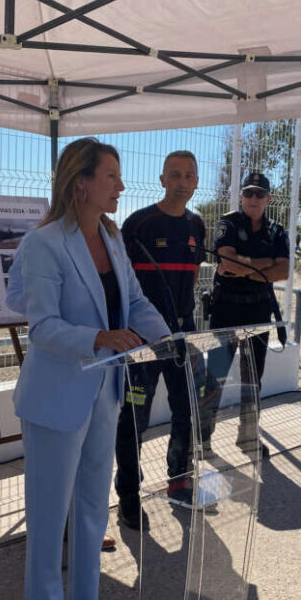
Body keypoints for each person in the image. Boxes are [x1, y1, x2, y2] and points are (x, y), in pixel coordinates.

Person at [12, 138, 169, 600]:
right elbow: (42, 327)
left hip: (105, 393)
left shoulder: (111, 236)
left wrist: (169, 341)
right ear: (81, 182)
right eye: (111, 176)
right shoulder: (44, 244)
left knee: (91, 510)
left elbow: (135, 302)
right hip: (55, 399)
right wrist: (100, 338)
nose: (121, 186)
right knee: (48, 516)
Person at [114, 150, 207, 529]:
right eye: (175, 174)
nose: (182, 182)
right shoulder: (138, 224)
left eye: (189, 175)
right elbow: (120, 281)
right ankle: (129, 496)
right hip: (142, 341)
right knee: (134, 418)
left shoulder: (197, 225)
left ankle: (179, 482)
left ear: (196, 182)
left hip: (183, 335)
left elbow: (193, 276)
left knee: (186, 411)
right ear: (162, 180)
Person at [5, 237, 116, 552]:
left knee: (90, 470)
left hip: (102, 373)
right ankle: (51, 548)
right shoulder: (41, 241)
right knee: (54, 476)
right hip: (60, 372)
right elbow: (15, 297)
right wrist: (58, 305)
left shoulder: (108, 240)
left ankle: (85, 531)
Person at [200, 172, 289, 457]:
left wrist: (244, 267)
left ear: (268, 199)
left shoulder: (277, 232)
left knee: (253, 379)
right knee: (215, 377)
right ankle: (202, 439)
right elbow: (226, 261)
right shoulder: (228, 223)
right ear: (241, 196)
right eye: (248, 193)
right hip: (226, 310)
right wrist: (264, 265)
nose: (253, 198)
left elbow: (283, 271)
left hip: (259, 311)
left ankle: (248, 436)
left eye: (259, 194)